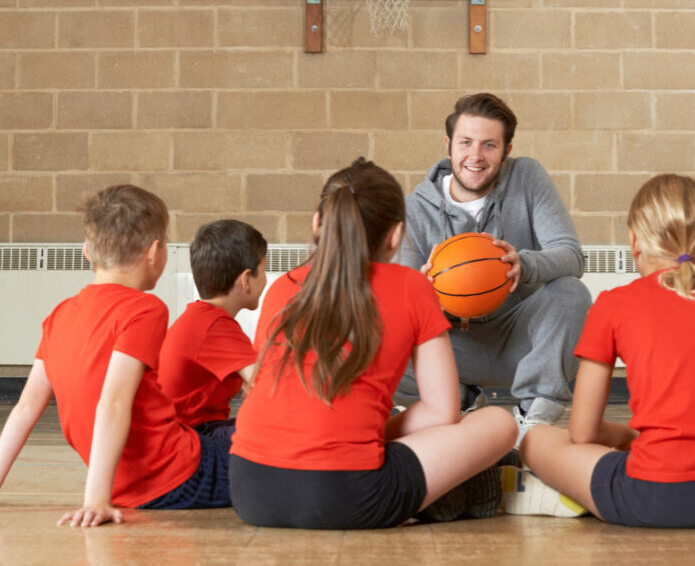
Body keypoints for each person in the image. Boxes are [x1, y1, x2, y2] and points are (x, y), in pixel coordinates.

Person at [229, 158, 518, 529]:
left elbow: (261, 389)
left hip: (250, 490)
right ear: (396, 236)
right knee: (498, 421)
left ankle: (438, 492)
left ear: (318, 224)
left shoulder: (282, 287)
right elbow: (442, 413)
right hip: (346, 497)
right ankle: (446, 491)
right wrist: (373, 434)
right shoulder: (413, 287)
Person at [507, 174, 695, 528]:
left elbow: (583, 433)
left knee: (537, 438)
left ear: (634, 241)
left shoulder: (614, 304)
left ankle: (561, 494)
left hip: (658, 497)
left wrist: (625, 437)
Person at [0, 185, 230, 528]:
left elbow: (25, 409)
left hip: (134, 479)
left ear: (86, 250)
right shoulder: (145, 309)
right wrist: (96, 500)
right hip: (178, 478)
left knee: (221, 431)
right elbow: (112, 403)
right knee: (265, 435)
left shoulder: (60, 313)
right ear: (155, 251)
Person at [396, 92, 591, 438]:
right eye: (466, 142)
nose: (475, 156)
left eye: (489, 145)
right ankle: (458, 399)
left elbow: (571, 256)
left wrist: (523, 264)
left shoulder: (527, 177)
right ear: (448, 144)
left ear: (507, 151)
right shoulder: (415, 208)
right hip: (452, 347)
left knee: (570, 293)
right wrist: (421, 293)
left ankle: (533, 417)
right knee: (385, 332)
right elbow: (401, 306)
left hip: (520, 340)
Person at [158, 219, 267, 440]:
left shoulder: (201, 318)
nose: (265, 280)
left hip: (186, 432)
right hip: (188, 440)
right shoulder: (214, 326)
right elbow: (266, 385)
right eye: (263, 271)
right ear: (246, 279)